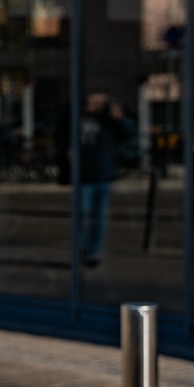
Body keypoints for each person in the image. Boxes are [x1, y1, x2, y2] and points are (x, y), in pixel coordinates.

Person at [73, 91, 129, 268]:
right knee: (83, 215)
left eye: (98, 102)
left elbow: (128, 134)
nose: (94, 104)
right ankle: (83, 249)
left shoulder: (108, 120)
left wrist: (119, 118)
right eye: (91, 101)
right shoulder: (77, 117)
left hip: (103, 174)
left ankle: (93, 252)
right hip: (84, 175)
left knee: (100, 216)